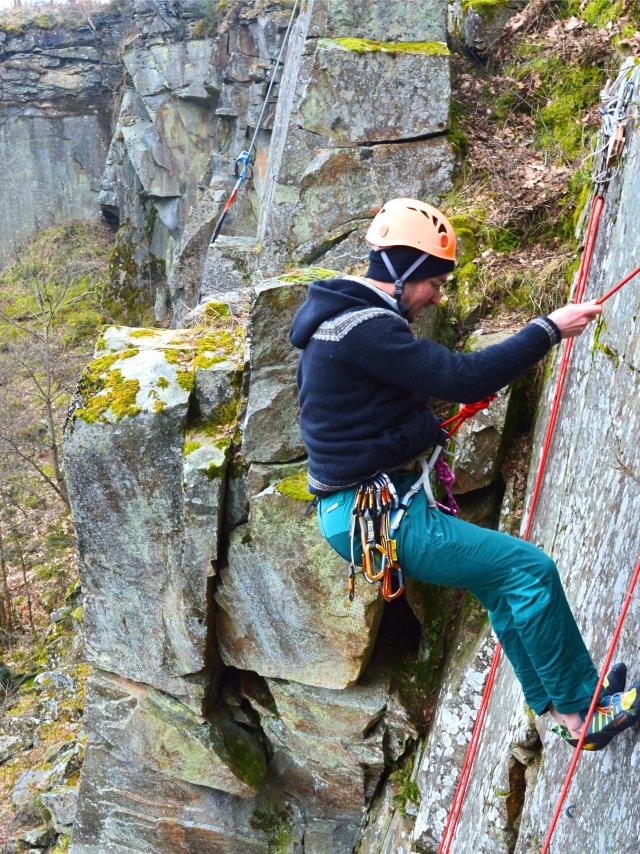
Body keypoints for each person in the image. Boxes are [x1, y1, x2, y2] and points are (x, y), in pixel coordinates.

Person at [290, 197, 640, 751]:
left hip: (365, 509)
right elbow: (461, 376)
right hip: (373, 512)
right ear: (402, 271)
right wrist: (548, 329)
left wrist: (428, 427)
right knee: (529, 571)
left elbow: (359, 421)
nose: (436, 296)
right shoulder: (365, 328)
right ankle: (582, 716)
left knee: (499, 583)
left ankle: (563, 703)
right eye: (433, 282)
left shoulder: (343, 322)